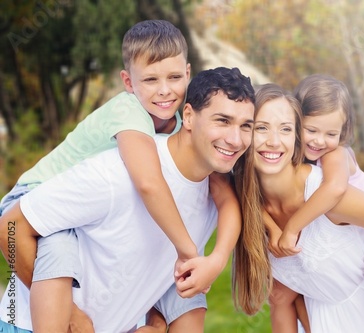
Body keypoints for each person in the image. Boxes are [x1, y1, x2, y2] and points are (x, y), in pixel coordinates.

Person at [0, 20, 235, 332]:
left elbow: (224, 196)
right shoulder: (128, 112)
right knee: (58, 253)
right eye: (150, 79)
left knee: (165, 268)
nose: (165, 90)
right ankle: (70, 317)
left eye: (175, 77)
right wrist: (188, 252)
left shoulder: (179, 125)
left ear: (188, 74)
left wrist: (215, 261)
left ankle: (153, 321)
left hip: (87, 216)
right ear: (128, 82)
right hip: (32, 198)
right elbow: (149, 184)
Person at [232, 83, 364, 332]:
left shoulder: (328, 185)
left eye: (285, 129)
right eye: (261, 128)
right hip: (330, 320)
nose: (273, 141)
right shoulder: (247, 203)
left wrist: (291, 229)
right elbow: (281, 299)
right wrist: (274, 229)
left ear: (295, 136)